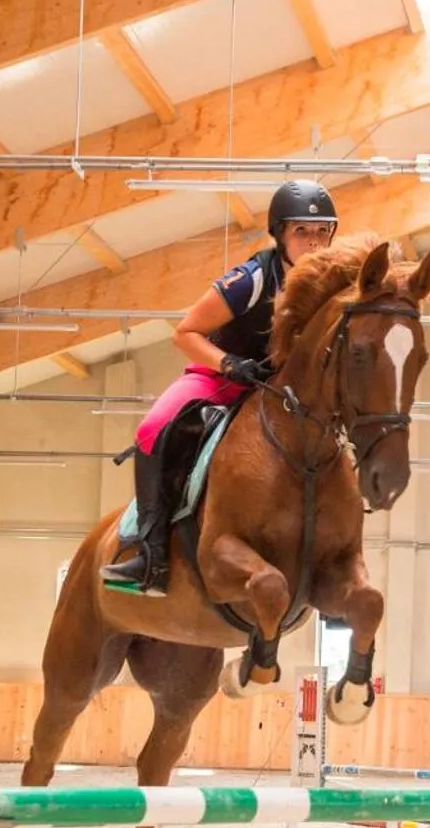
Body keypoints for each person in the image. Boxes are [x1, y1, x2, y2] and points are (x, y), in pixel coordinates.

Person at [99, 180, 338, 595]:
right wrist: (229, 363)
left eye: (322, 231)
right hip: (223, 378)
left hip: (287, 395)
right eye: (302, 231)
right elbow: (185, 332)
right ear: (281, 234)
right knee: (152, 428)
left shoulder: (333, 285)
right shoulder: (253, 278)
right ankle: (151, 557)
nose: (314, 243)